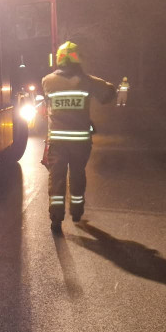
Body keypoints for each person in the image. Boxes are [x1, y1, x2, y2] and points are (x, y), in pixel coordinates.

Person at [41, 41, 116, 235]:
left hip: (57, 141)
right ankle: (76, 212)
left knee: (56, 178)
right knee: (77, 175)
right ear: (77, 58)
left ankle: (56, 219)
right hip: (80, 142)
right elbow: (109, 93)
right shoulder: (87, 81)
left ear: (58, 59)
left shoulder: (47, 81)